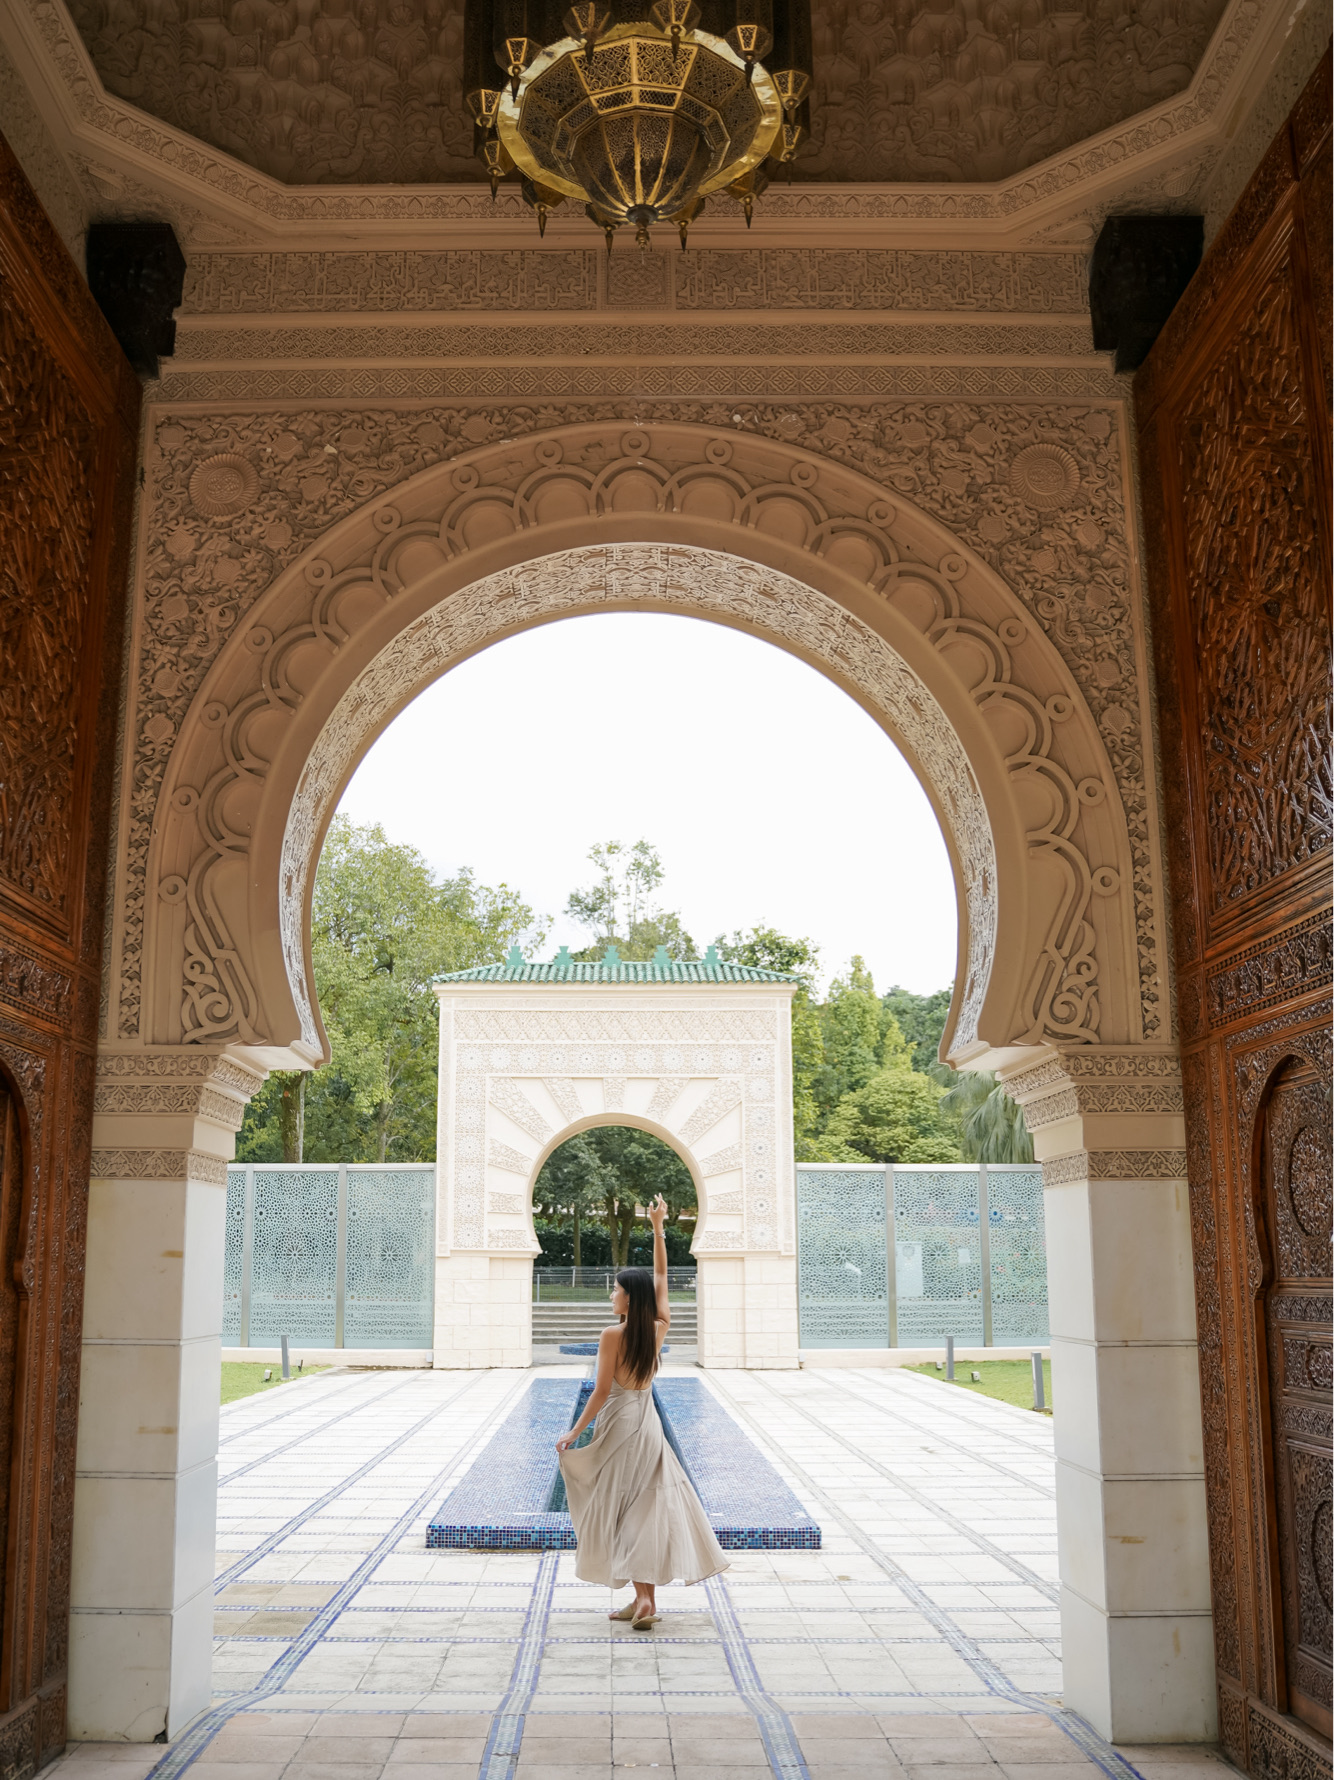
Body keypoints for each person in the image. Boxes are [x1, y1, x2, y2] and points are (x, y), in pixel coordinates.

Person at [555, 1192, 728, 1629]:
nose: (611, 1294)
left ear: (629, 1297)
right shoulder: (659, 1326)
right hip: (647, 1423)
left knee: (618, 1505)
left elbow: (599, 1392)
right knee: (644, 1507)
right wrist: (657, 1228)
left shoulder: (612, 1334)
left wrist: (574, 1433)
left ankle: (644, 1599)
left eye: (615, 1289)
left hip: (618, 1422)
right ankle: (643, 1600)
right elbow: (663, 1275)